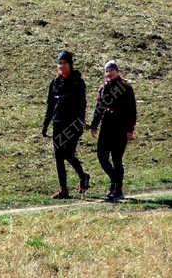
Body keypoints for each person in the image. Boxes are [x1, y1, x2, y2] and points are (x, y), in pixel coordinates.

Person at [42, 50, 91, 199]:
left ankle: (83, 176)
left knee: (68, 153)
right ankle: (64, 189)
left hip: (73, 123)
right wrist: (45, 124)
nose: (61, 66)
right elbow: (51, 105)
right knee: (58, 156)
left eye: (64, 63)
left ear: (70, 64)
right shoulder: (55, 83)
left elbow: (83, 104)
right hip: (58, 123)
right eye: (60, 63)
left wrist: (80, 123)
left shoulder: (77, 82)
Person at [89, 60, 137, 202]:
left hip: (120, 128)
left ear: (117, 71)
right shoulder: (103, 88)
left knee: (117, 159)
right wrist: (94, 125)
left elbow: (132, 111)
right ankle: (115, 181)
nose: (109, 73)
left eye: (111, 70)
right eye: (107, 70)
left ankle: (117, 189)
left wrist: (130, 130)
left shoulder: (126, 88)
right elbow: (99, 108)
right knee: (102, 157)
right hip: (106, 128)